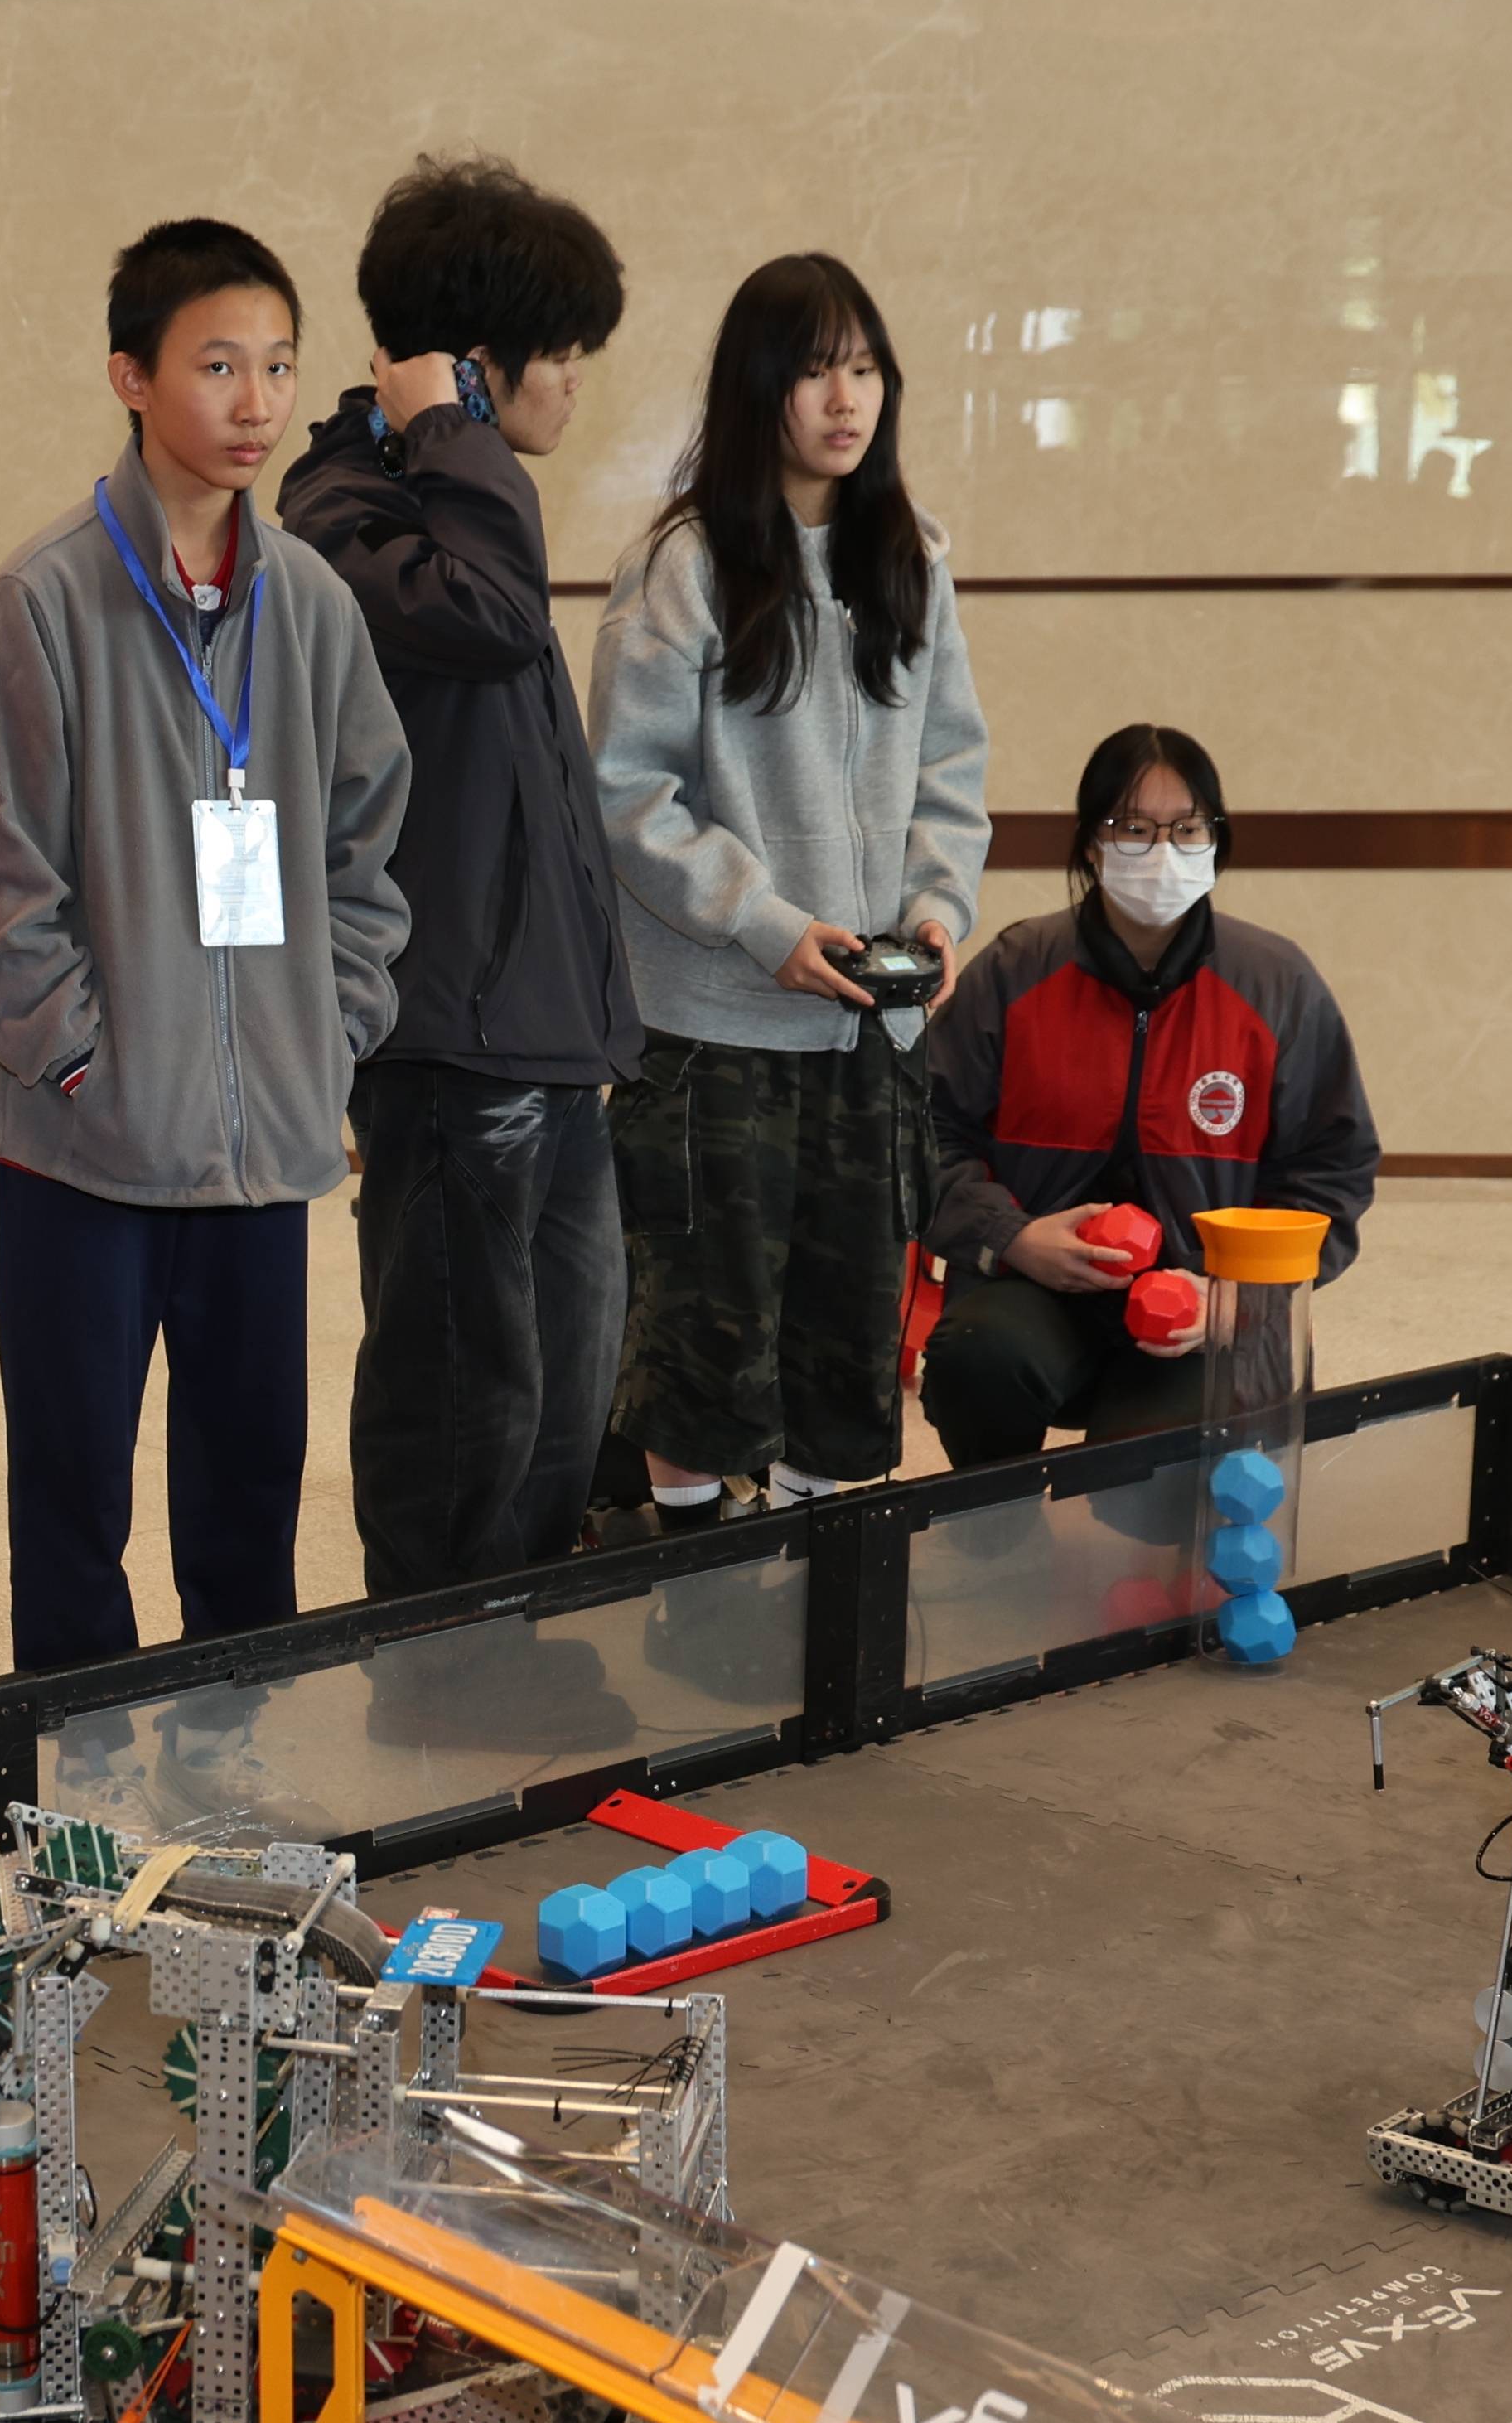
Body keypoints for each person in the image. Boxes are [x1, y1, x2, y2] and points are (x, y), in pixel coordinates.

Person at [0, 218, 412, 1821]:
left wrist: (328, 1032)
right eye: (218, 364)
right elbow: (1, 878)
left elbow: (368, 844)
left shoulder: (315, 607)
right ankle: (82, 1762)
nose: (255, 400)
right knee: (75, 1481)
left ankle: (222, 1748)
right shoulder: (46, 601)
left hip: (263, 1140)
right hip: (85, 1142)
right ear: (131, 376)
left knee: (248, 1475)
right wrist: (85, 1058)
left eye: (278, 364)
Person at [275, 155, 638, 1744]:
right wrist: (452, 435)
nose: (575, 386)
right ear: (477, 367)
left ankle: (510, 1643)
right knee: (457, 1377)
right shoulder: (344, 514)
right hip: (444, 1033)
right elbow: (489, 614)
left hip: (545, 1027)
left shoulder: (450, 504)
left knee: (564, 1368)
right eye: (560, 354)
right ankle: (428, 1676)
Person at [587, 253, 988, 1532]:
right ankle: (696, 1586)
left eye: (865, 368)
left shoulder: (912, 559)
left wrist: (938, 911)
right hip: (716, 1032)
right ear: (759, 387)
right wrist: (765, 926)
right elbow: (628, 794)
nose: (845, 397)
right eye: (816, 370)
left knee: (847, 1342)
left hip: (873, 1026)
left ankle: (814, 1594)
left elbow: (952, 769)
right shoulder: (684, 564)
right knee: (697, 1343)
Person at [919, 725, 1378, 1465]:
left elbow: (1333, 1169)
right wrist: (1012, 1237)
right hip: (1033, 1287)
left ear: (1215, 842)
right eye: (1133, 827)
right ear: (1090, 844)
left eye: (1187, 828)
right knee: (977, 1359)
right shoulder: (1014, 969)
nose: (1163, 850)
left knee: (1148, 1486)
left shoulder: (1278, 983)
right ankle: (997, 1523)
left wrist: (1235, 1295)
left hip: (1207, 1305)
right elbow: (922, 1133)